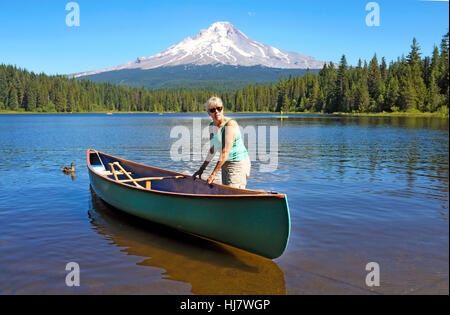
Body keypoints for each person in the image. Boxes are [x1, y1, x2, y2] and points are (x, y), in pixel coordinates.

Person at [193, 96, 251, 189]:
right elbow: (213, 149)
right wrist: (201, 169)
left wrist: (213, 174)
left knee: (233, 194)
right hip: (225, 163)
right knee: (226, 191)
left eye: (219, 108)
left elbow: (225, 152)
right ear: (209, 113)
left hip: (238, 164)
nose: (216, 111)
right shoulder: (212, 126)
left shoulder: (230, 124)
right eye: (212, 110)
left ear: (222, 109)